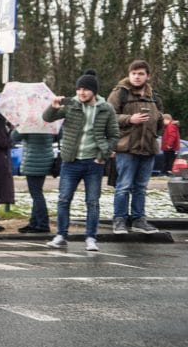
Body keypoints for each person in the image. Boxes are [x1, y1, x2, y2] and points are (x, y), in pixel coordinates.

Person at [43, 70, 119, 251]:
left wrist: (103, 156)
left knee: (92, 201)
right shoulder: (71, 105)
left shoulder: (106, 108)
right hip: (71, 161)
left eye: (85, 89)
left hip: (94, 163)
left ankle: (91, 238)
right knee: (63, 199)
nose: (81, 93)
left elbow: (114, 135)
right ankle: (61, 235)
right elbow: (47, 118)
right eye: (78, 89)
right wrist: (53, 106)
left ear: (93, 91)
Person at [107, 59, 162, 234]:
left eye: (141, 74)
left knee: (141, 187)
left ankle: (139, 219)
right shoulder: (119, 93)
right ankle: (120, 220)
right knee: (123, 186)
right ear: (129, 74)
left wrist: (161, 123)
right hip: (127, 148)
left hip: (148, 147)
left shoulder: (154, 96)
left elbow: (159, 117)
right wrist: (129, 119)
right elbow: (108, 117)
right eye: (134, 73)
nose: (137, 77)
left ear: (147, 76)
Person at [11, 131, 55, 233]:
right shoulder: (48, 123)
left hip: (33, 162)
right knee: (37, 192)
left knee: (36, 194)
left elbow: (15, 136)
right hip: (46, 160)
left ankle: (43, 224)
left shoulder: (29, 124)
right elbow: (57, 136)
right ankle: (34, 222)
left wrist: (18, 125)